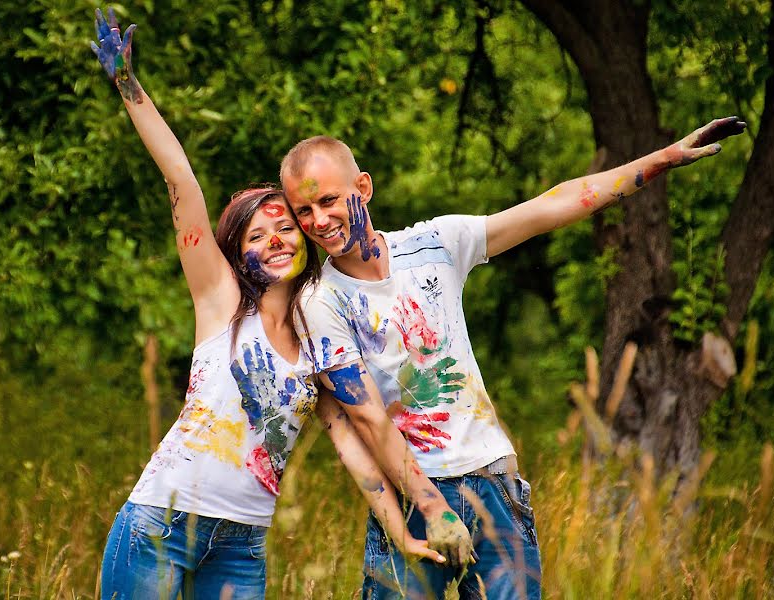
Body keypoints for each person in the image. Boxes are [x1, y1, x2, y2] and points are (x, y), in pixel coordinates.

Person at [89, 8, 475, 599]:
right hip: (159, 524)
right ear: (234, 250)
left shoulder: (321, 337)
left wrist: (400, 532)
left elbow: (353, 448)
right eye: (256, 235)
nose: (275, 241)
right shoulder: (218, 302)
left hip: (244, 547)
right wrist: (129, 86)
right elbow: (181, 181)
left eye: (286, 228)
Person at [281, 117, 746, 599]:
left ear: (363, 187)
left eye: (328, 200)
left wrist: (662, 159)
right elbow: (370, 420)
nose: (318, 220)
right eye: (303, 211)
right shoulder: (320, 303)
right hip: (414, 501)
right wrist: (433, 508)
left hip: (492, 485)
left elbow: (554, 204)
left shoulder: (434, 244)